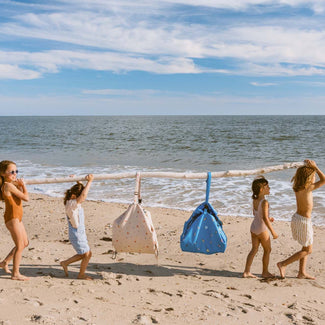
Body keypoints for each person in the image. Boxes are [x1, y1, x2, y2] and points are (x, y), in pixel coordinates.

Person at [277, 160, 325, 280]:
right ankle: (283, 264)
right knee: (308, 250)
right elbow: (324, 180)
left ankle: (301, 273)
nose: (314, 178)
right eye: (313, 176)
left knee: (305, 246)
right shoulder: (308, 188)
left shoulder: (298, 188)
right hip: (303, 221)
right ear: (308, 178)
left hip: (298, 218)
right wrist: (316, 167)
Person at [243, 176, 278, 278]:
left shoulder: (255, 200)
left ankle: (246, 271)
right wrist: (273, 232)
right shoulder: (265, 202)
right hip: (262, 229)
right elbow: (265, 219)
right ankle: (265, 272)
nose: (270, 188)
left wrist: (268, 217)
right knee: (267, 250)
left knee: (254, 250)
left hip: (253, 227)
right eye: (267, 187)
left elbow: (256, 214)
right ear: (262, 189)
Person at [60, 174, 94, 280]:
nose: (82, 198)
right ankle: (81, 274)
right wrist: (90, 182)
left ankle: (65, 263)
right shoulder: (71, 204)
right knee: (87, 254)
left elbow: (81, 194)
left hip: (79, 232)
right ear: (75, 195)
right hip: (77, 233)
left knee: (84, 254)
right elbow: (83, 196)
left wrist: (78, 182)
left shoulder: (72, 202)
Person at [0, 160, 29, 281]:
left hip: (17, 217)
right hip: (12, 218)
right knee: (20, 245)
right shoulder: (8, 185)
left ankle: (5, 262)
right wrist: (23, 186)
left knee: (25, 243)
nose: (15, 174)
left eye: (16, 171)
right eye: (12, 172)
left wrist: (19, 185)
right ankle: (15, 273)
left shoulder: (11, 184)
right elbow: (26, 198)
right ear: (3, 173)